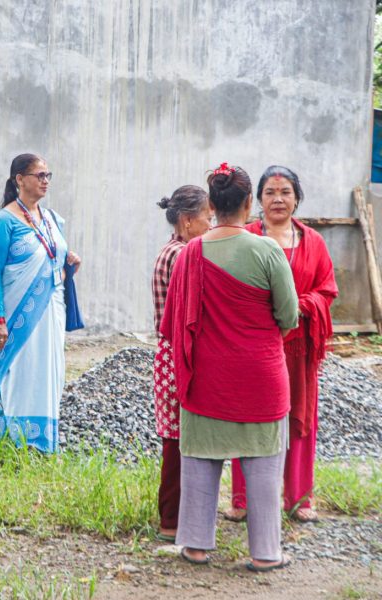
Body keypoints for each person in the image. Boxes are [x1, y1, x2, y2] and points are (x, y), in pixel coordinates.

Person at [160, 163, 298, 571]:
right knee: (263, 464)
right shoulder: (267, 249)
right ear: (249, 202)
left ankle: (197, 545)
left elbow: (170, 323)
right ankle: (266, 552)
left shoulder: (190, 254)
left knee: (201, 461)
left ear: (212, 205)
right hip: (261, 376)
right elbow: (289, 316)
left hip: (205, 379)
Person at [227, 166, 338, 523]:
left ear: (297, 198)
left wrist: (300, 305)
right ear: (256, 200)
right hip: (255, 346)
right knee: (251, 418)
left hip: (299, 347)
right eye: (270, 192)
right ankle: (243, 500)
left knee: (300, 417)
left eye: (285, 192)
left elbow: (327, 290)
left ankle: (299, 498)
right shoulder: (245, 236)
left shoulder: (313, 242)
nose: (278, 199)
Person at [0, 154, 81, 453]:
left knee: (48, 371)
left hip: (50, 311)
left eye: (48, 175)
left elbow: (53, 264)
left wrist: (70, 264)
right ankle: (16, 443)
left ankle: (44, 444)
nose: (45, 180)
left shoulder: (52, 219)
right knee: (22, 373)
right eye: (39, 175)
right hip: (16, 318)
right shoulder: (4, 221)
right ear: (19, 180)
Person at [151, 185, 212, 541]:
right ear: (188, 221)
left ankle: (176, 518)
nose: (210, 223)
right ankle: (172, 520)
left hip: (173, 355)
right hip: (180, 356)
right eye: (207, 217)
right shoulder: (182, 256)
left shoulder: (175, 250)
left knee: (178, 439)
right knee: (178, 441)